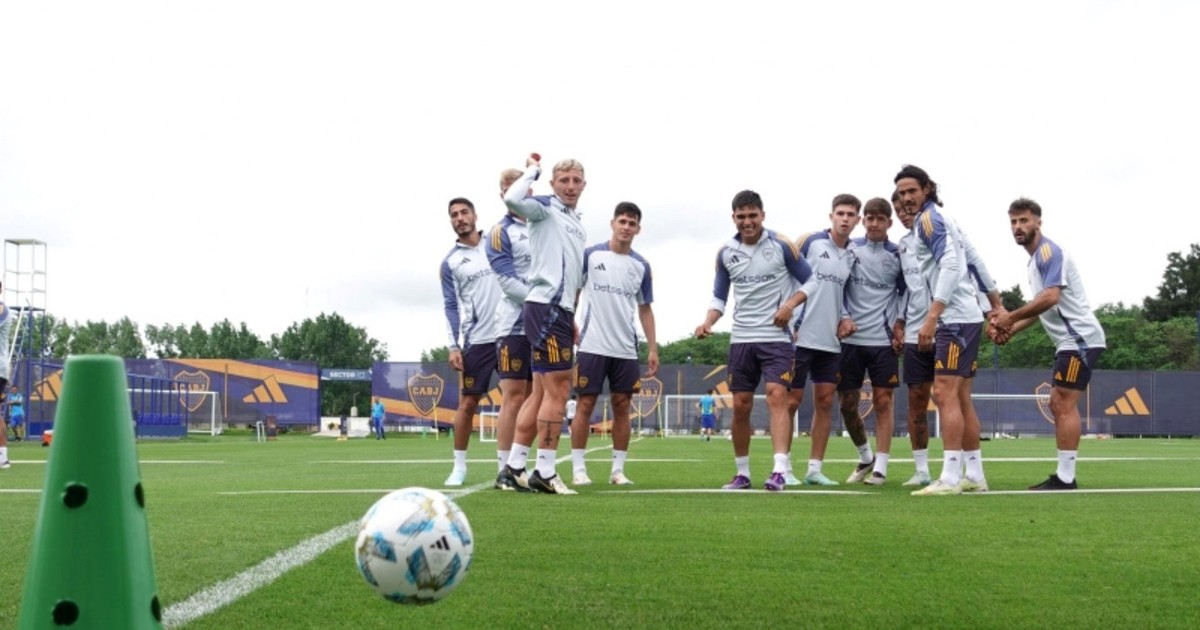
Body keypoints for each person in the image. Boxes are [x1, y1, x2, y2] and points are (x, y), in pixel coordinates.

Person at [695, 189, 812, 491]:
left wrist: (789, 306)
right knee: (741, 405)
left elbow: (812, 280)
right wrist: (708, 322)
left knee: (777, 396)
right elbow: (719, 298)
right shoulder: (725, 253)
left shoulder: (782, 244)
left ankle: (779, 471)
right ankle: (742, 474)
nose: (747, 222)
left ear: (763, 215)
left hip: (776, 338)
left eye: (752, 215)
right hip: (741, 339)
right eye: (741, 216)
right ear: (733, 217)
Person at [895, 165, 1002, 496]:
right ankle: (975, 475)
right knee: (960, 397)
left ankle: (950, 478)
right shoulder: (943, 219)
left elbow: (953, 265)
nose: (907, 198)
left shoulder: (930, 220)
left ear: (927, 188)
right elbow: (975, 260)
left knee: (943, 393)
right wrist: (995, 306)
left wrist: (932, 316)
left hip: (953, 319)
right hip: (965, 315)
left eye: (912, 191)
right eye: (902, 193)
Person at [990, 197, 1106, 490]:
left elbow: (1050, 298)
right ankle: (1064, 475)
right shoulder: (1034, 261)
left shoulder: (1048, 252)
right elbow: (1042, 308)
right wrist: (1011, 329)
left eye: (1024, 220)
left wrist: (1008, 318)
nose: (1018, 227)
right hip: (1071, 341)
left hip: (1079, 339)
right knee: (1058, 402)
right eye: (1013, 222)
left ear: (1038, 222)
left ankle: (1066, 478)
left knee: (1062, 401)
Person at [497, 155, 588, 495]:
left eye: (575, 180)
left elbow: (573, 276)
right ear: (552, 184)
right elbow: (513, 198)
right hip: (546, 306)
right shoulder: (544, 207)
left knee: (539, 392)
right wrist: (532, 170)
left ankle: (514, 467)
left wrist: (572, 315)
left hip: (559, 310)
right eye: (563, 180)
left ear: (584, 185)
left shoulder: (575, 222)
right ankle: (546, 471)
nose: (570, 186)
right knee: (558, 390)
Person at [569, 202, 659, 486]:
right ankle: (578, 469)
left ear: (638, 229)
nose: (626, 227)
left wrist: (653, 348)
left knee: (622, 405)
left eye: (632, 223)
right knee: (585, 404)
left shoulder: (641, 266)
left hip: (625, 349)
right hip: (591, 344)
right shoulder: (591, 255)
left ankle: (617, 471)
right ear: (612, 223)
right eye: (622, 221)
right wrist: (569, 321)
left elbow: (645, 308)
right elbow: (574, 291)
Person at [787, 194, 860, 486]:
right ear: (831, 216)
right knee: (791, 401)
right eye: (840, 213)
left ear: (857, 220)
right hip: (799, 336)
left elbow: (842, 294)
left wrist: (845, 317)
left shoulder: (852, 253)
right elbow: (785, 274)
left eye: (851, 214)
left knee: (826, 402)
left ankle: (814, 470)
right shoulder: (810, 241)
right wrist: (788, 317)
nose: (845, 219)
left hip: (830, 342)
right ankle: (783, 467)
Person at [838, 197, 904, 485]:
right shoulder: (849, 249)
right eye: (870, 218)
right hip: (850, 341)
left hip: (883, 341)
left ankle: (881, 468)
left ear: (889, 222)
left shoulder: (899, 254)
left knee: (883, 401)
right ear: (863, 220)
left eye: (880, 219)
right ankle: (866, 456)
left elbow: (906, 292)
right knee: (847, 404)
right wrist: (843, 316)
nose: (874, 223)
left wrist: (900, 323)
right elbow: (836, 286)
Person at [440, 197, 503, 486]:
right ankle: (459, 467)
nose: (460, 218)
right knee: (467, 404)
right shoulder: (450, 263)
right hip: (477, 339)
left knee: (517, 399)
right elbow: (450, 305)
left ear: (475, 215)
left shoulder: (498, 241)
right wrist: (453, 345)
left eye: (464, 212)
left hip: (511, 333)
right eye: (454, 215)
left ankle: (509, 466)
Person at [487, 168, 535, 487]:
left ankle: (519, 465)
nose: (515, 192)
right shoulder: (499, 232)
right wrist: (542, 302)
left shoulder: (543, 226)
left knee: (535, 397)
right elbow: (507, 281)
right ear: (503, 194)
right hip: (514, 325)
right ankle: (504, 470)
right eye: (508, 187)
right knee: (514, 397)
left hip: (544, 325)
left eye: (522, 186)